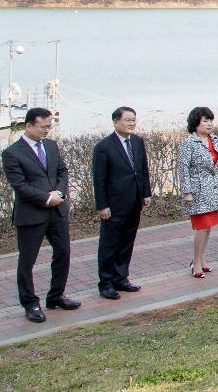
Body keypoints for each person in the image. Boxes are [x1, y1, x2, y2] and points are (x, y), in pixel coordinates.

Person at [1, 107, 79, 323]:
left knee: (63, 252)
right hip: (31, 214)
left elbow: (62, 172)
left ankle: (56, 296)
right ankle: (30, 303)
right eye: (43, 127)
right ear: (28, 126)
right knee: (27, 261)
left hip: (57, 211)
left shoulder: (52, 146)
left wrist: (60, 193)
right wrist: (46, 198)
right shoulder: (12, 153)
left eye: (49, 126)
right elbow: (19, 185)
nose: (47, 130)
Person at [91, 106, 152, 299]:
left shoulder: (137, 141)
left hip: (134, 201)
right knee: (110, 244)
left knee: (127, 241)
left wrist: (146, 193)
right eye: (127, 120)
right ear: (116, 121)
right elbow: (99, 179)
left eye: (133, 119)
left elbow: (142, 169)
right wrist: (102, 205)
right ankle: (106, 282)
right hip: (114, 204)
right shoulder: (104, 147)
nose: (131, 123)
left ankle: (121, 277)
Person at [178, 106, 218, 278]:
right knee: (201, 227)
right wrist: (187, 192)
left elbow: (217, 166)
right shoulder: (189, 143)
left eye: (211, 120)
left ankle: (202, 260)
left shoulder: (215, 140)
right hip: (197, 192)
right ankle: (195, 262)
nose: (209, 124)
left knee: (208, 227)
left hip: (212, 191)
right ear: (196, 123)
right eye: (205, 121)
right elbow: (183, 169)